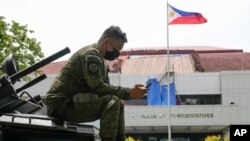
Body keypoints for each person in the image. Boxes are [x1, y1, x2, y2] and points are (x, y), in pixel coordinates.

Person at [45, 25, 147, 141]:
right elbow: (98, 88)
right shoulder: (91, 55)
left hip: (71, 101)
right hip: (61, 104)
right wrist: (129, 93)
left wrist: (130, 91)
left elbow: (106, 88)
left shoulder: (100, 59)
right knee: (112, 102)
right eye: (116, 49)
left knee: (118, 103)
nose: (117, 53)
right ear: (107, 42)